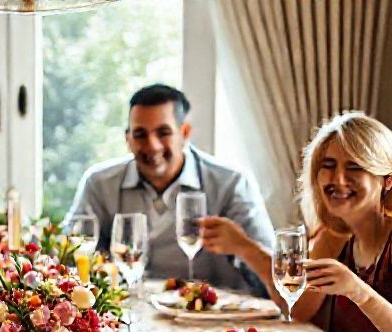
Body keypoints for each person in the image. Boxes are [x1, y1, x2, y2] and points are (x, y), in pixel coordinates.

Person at [199, 111, 392, 332]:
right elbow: (297, 309)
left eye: (355, 167)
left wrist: (361, 293)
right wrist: (246, 248)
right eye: (328, 165)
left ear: (387, 180)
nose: (338, 179)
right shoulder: (337, 232)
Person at [63, 84, 274, 295]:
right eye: (140, 134)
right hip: (129, 314)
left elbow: (276, 277)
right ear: (127, 139)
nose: (152, 145)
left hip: (214, 319)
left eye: (163, 133)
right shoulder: (99, 183)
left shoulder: (232, 183)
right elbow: (69, 256)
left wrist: (243, 246)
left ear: (184, 132)